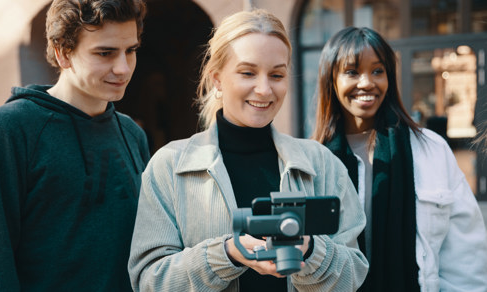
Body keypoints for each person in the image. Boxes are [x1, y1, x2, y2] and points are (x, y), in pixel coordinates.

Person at [128, 9, 368, 292]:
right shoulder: (169, 166)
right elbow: (150, 281)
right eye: (247, 73)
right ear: (217, 79)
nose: (264, 89)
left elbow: (354, 273)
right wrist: (227, 253)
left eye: (277, 75)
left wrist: (309, 249)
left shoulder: (322, 164)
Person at [0, 0, 149, 291]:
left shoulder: (132, 134)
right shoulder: (12, 127)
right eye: (105, 53)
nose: (123, 68)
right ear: (63, 53)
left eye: (131, 50)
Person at [311, 26, 487, 292]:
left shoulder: (431, 150)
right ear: (331, 80)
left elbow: (465, 255)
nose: (367, 82)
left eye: (378, 71)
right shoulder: (312, 162)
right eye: (352, 71)